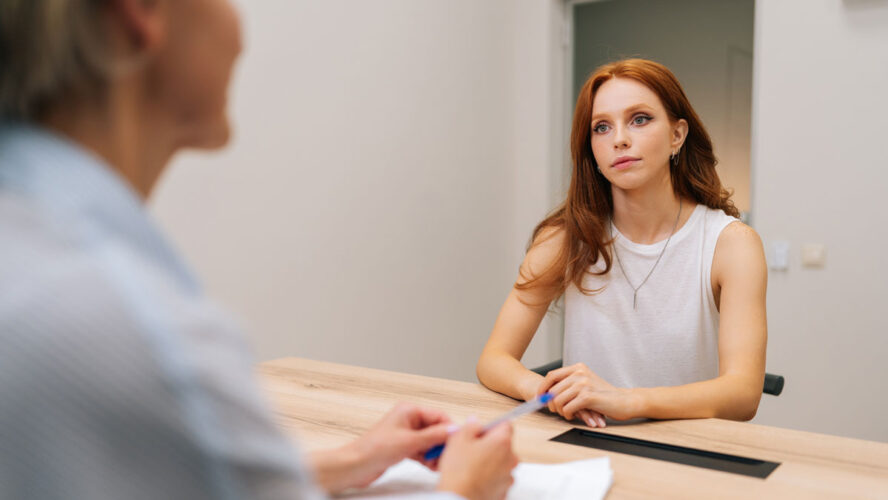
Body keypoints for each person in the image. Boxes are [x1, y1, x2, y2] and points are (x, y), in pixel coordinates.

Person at [0, 1, 516, 499]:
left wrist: (356, 458)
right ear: (140, 10)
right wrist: (465, 492)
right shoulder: (134, 332)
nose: (240, 25)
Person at [476, 59, 767, 429]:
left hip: (688, 452)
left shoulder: (732, 245)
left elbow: (743, 395)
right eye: (601, 127)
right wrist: (544, 391)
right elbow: (494, 359)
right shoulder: (565, 239)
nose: (619, 139)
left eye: (640, 119)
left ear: (677, 135)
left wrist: (628, 400)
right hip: (588, 444)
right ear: (591, 150)